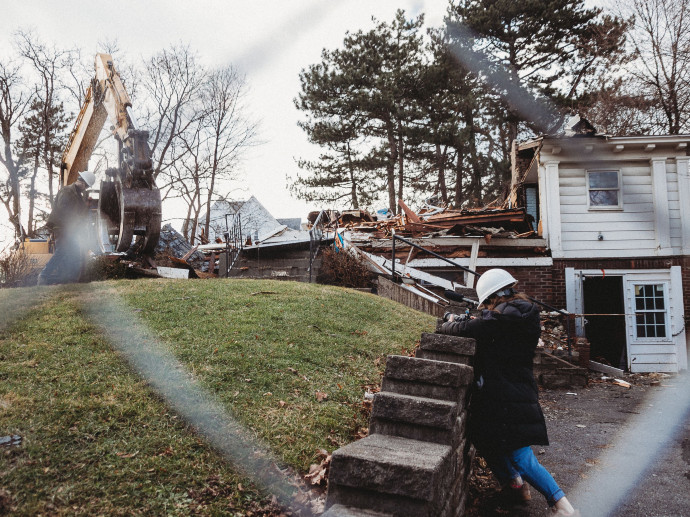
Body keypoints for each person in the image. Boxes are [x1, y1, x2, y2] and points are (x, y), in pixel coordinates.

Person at [440, 268, 579, 516]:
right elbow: (484, 326)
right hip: (506, 390)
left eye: (488, 303)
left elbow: (470, 329)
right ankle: (514, 485)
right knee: (484, 437)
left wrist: (448, 324)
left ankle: (563, 506)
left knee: (520, 455)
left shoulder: (507, 316)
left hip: (510, 394)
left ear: (494, 298)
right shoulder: (515, 312)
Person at [37, 171, 96, 285]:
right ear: (82, 182)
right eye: (87, 186)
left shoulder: (77, 195)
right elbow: (64, 212)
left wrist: (87, 206)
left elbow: (80, 214)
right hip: (62, 227)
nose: (86, 189)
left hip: (69, 229)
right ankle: (44, 276)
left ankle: (71, 281)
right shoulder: (67, 191)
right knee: (63, 251)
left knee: (73, 253)